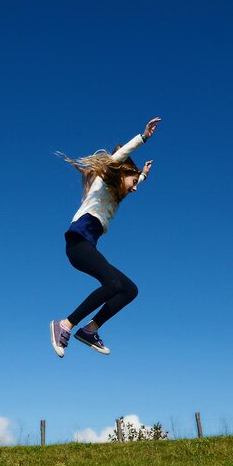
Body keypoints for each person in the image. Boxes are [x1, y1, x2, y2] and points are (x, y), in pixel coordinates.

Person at [50, 117, 162, 357]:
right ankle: (66, 324)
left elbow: (129, 182)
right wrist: (143, 138)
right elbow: (119, 160)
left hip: (87, 246)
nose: (134, 189)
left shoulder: (113, 194)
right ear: (122, 174)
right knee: (112, 284)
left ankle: (90, 330)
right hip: (77, 244)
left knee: (129, 289)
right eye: (133, 182)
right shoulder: (104, 180)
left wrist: (142, 176)